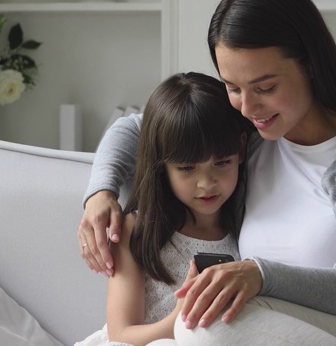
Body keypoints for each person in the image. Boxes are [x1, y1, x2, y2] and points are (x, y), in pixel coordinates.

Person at [78, 0, 336, 345]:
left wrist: (257, 275)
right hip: (267, 329)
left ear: (310, 64)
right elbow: (137, 128)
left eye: (264, 88)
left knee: (204, 321)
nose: (247, 107)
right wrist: (100, 193)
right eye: (232, 87)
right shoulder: (247, 137)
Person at [76, 72, 248, 346]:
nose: (207, 184)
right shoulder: (136, 231)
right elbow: (121, 333)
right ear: (161, 165)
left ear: (241, 149)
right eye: (187, 168)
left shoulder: (245, 231)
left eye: (222, 163)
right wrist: (179, 320)